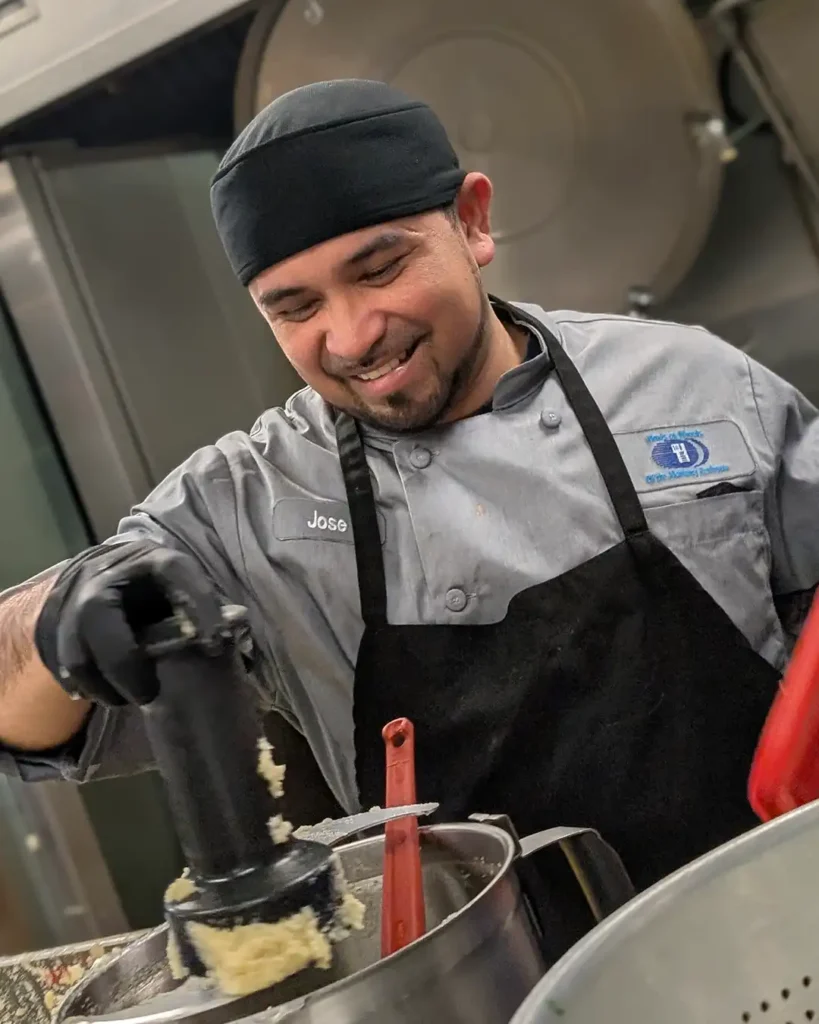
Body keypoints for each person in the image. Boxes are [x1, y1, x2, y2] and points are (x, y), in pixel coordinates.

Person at [0, 79, 817, 892]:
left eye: (381, 268)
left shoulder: (691, 386)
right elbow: (17, 715)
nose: (353, 335)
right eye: (295, 308)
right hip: (495, 992)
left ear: (471, 221)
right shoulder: (244, 511)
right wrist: (57, 618)